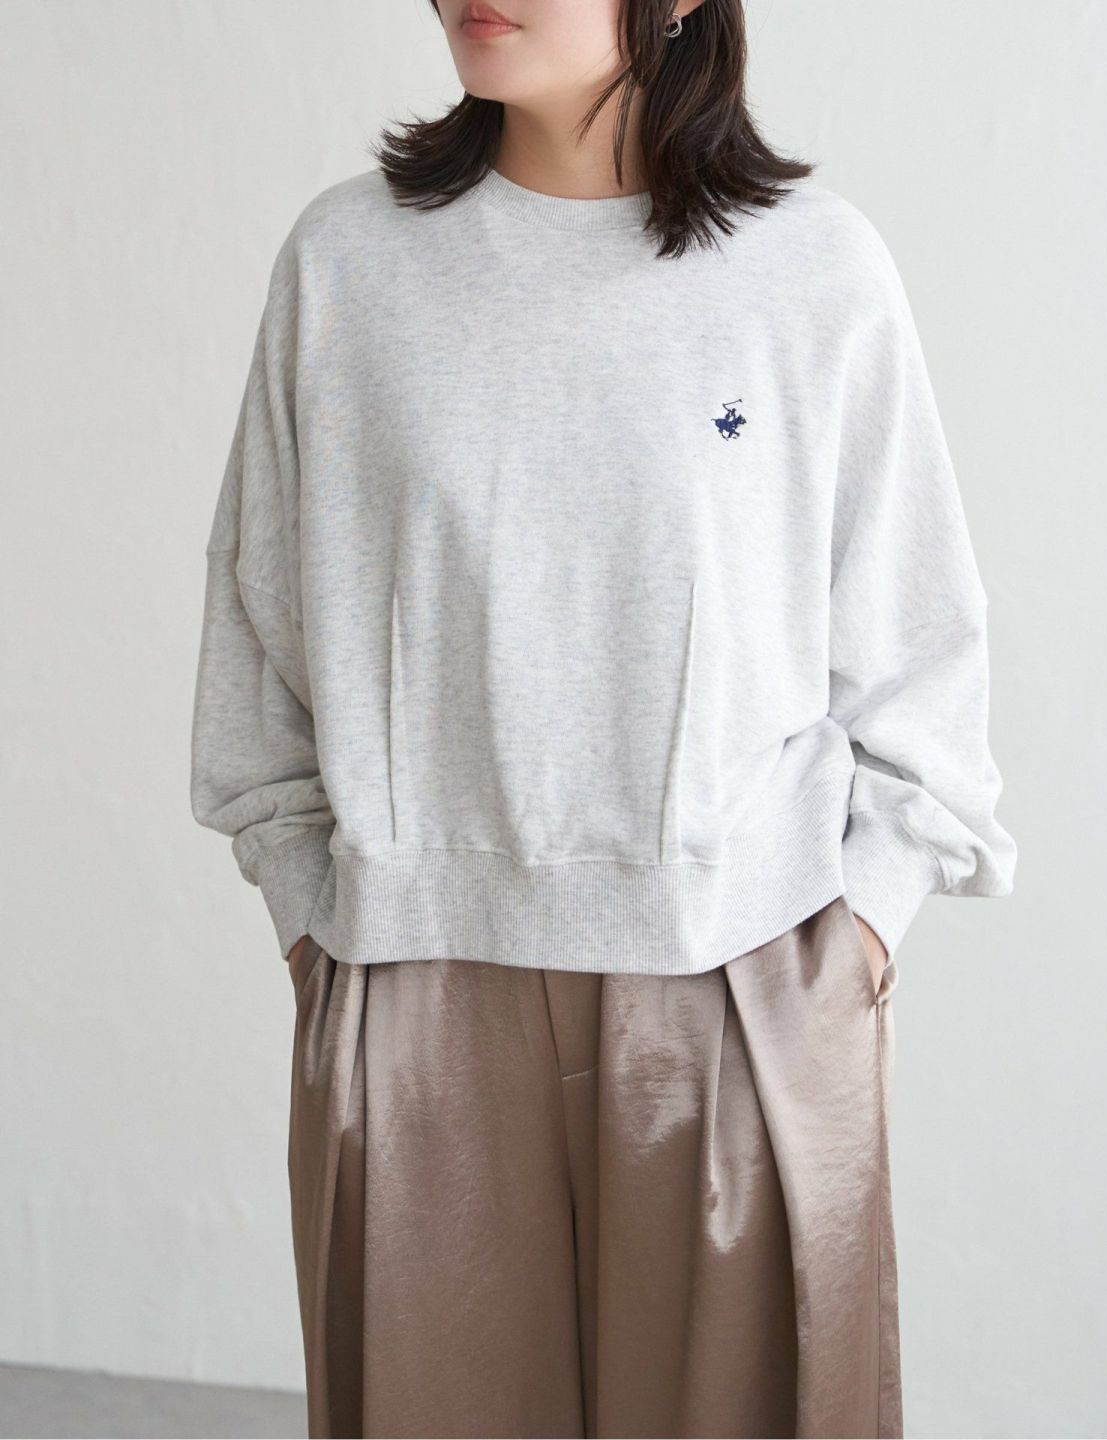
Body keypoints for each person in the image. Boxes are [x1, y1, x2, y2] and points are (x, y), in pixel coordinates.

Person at [189, 1, 1017, 1435]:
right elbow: (260, 627)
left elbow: (918, 649)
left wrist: (852, 945)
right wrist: (318, 929)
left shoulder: (814, 271)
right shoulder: (348, 264)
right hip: (414, 986)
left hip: (742, 982)